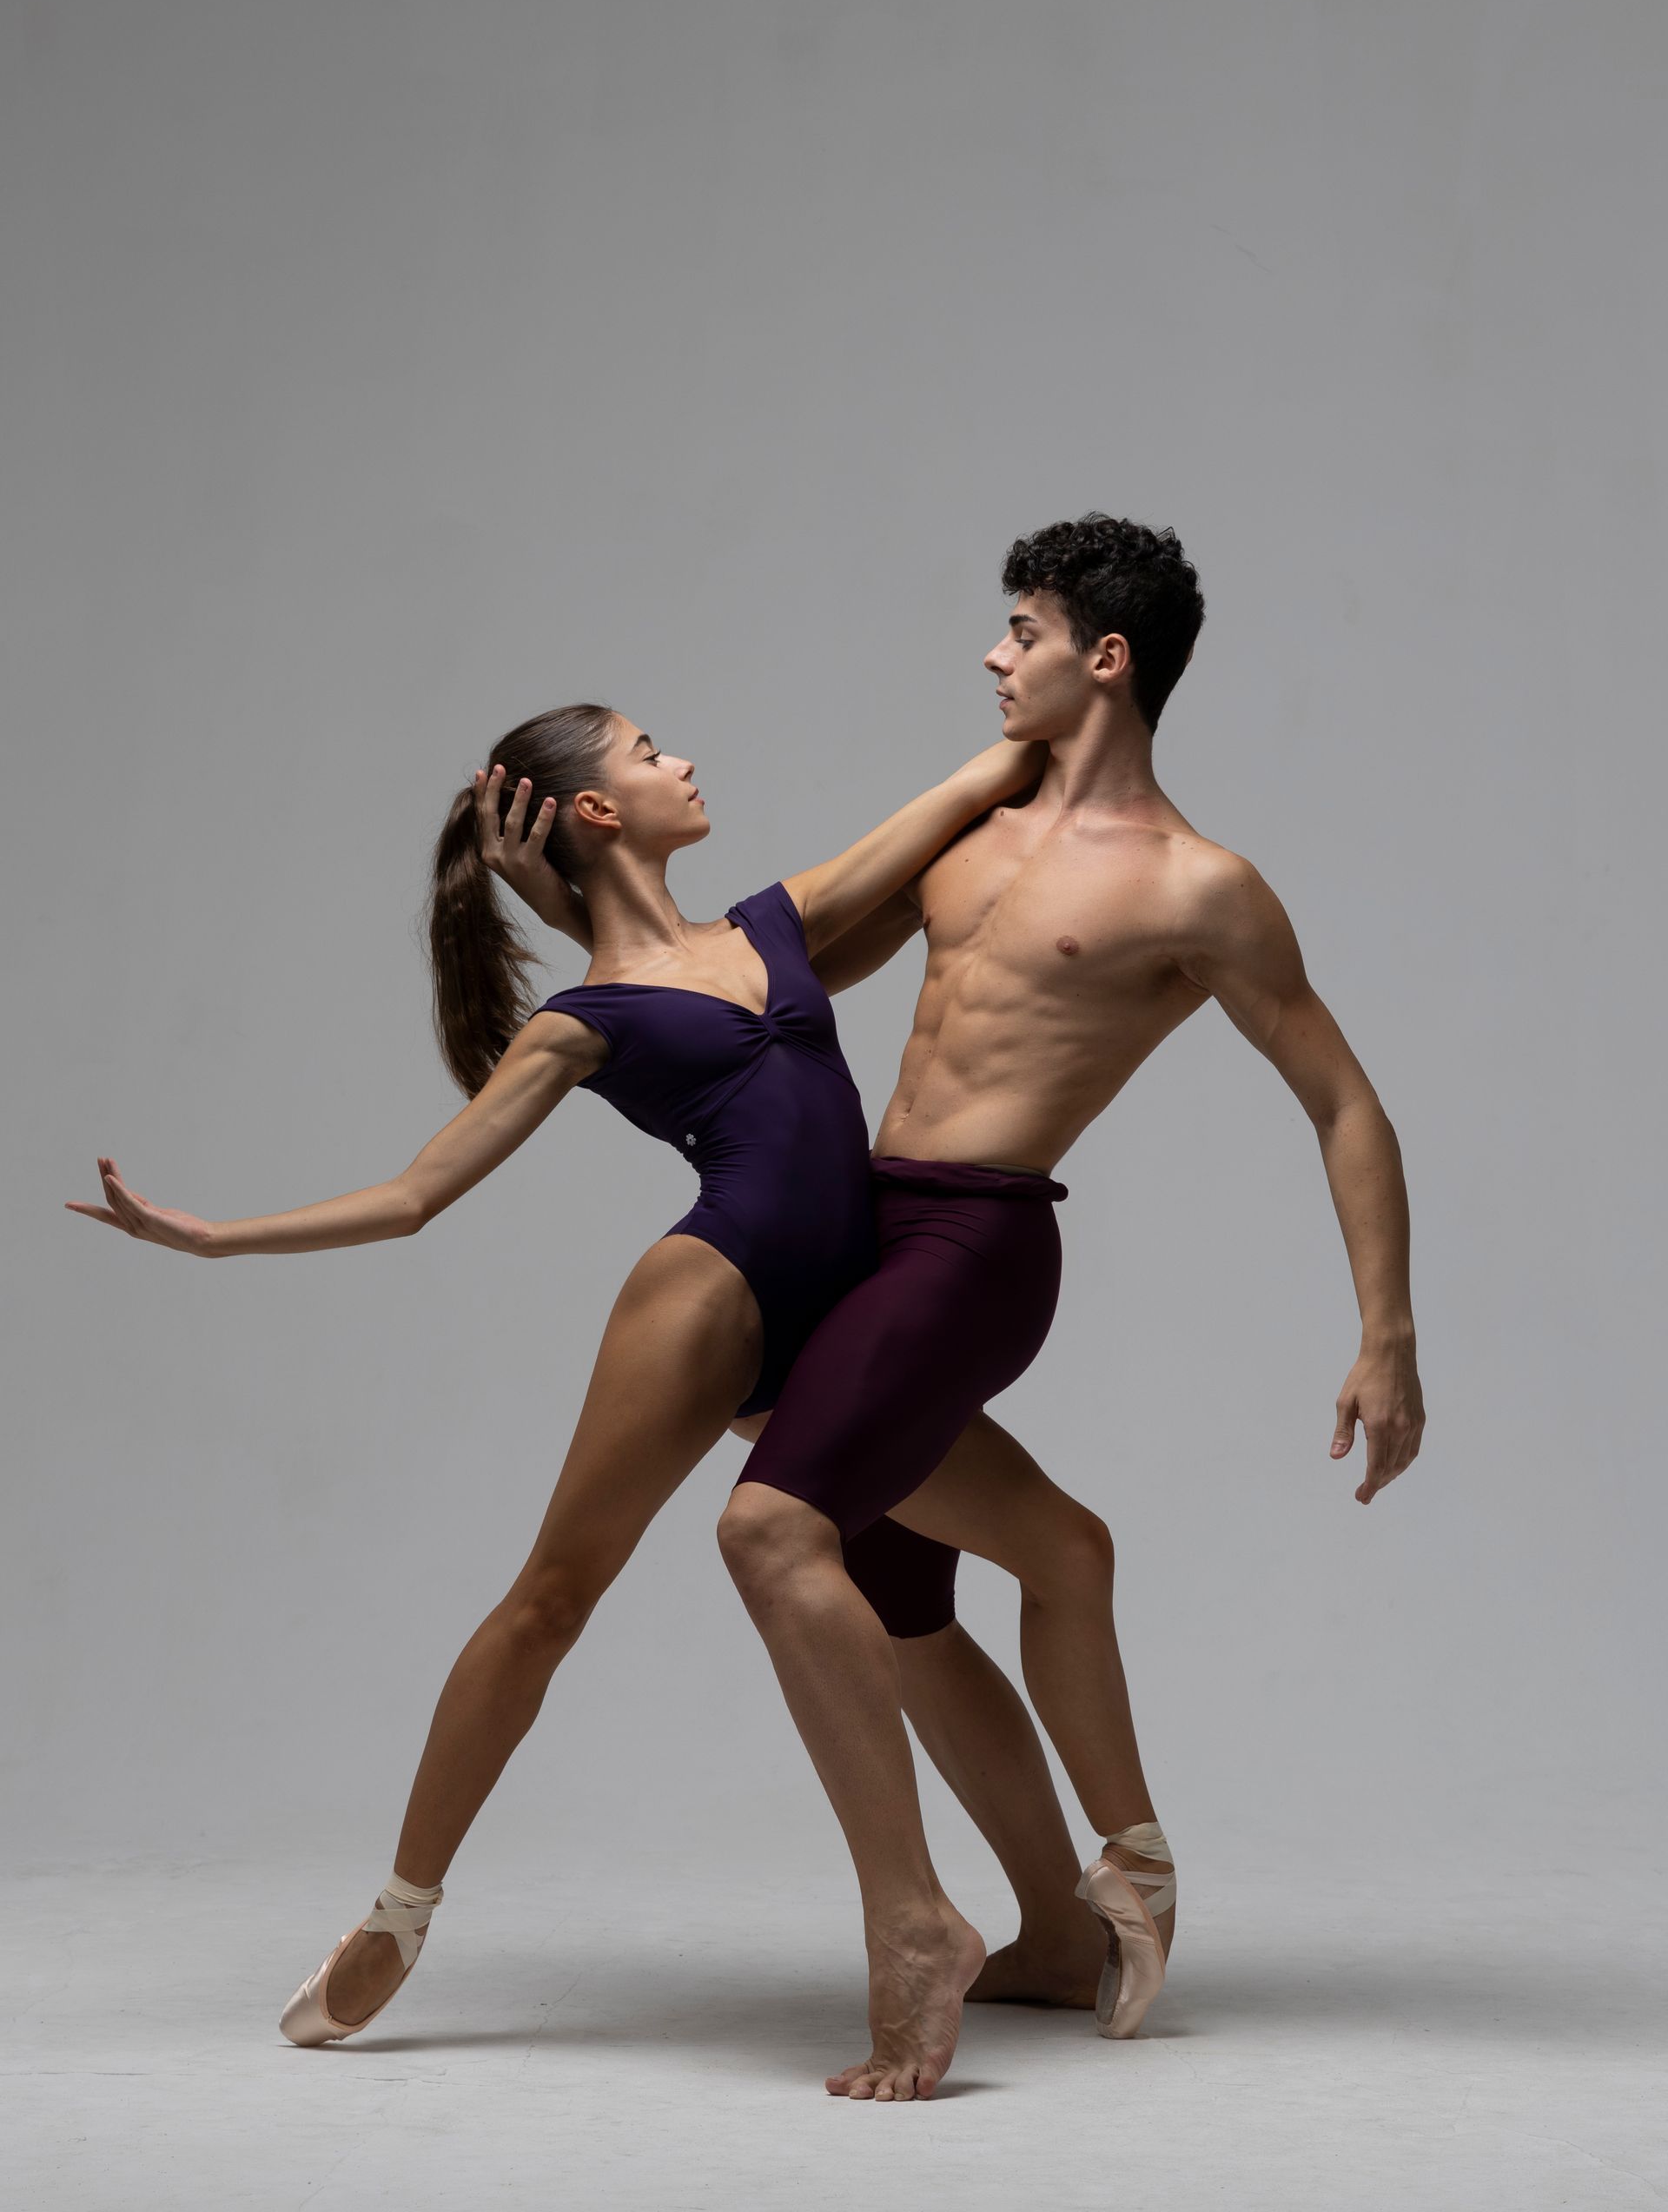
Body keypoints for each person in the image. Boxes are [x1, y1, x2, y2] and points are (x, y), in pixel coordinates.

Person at [64, 702, 1148, 2049]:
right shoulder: (582, 1020)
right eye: (648, 753)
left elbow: (975, 783)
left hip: (840, 1319)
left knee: (1056, 1545)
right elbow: (416, 1196)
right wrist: (212, 1238)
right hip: (711, 1298)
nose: (683, 760)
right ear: (595, 813)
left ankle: (1067, 1913)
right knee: (551, 1603)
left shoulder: (775, 922)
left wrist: (1065, 690)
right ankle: (399, 1914)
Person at [705, 513, 1428, 2103]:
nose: (991, 654)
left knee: (775, 1531)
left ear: (1104, 656)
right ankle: (1060, 1920)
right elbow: (791, 958)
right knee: (904, 1604)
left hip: (971, 1244)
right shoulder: (974, 829)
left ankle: (1026, 1901)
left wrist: (1386, 1332)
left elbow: (1345, 1103)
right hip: (853, 1232)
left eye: (1020, 627)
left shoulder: (1199, 886)